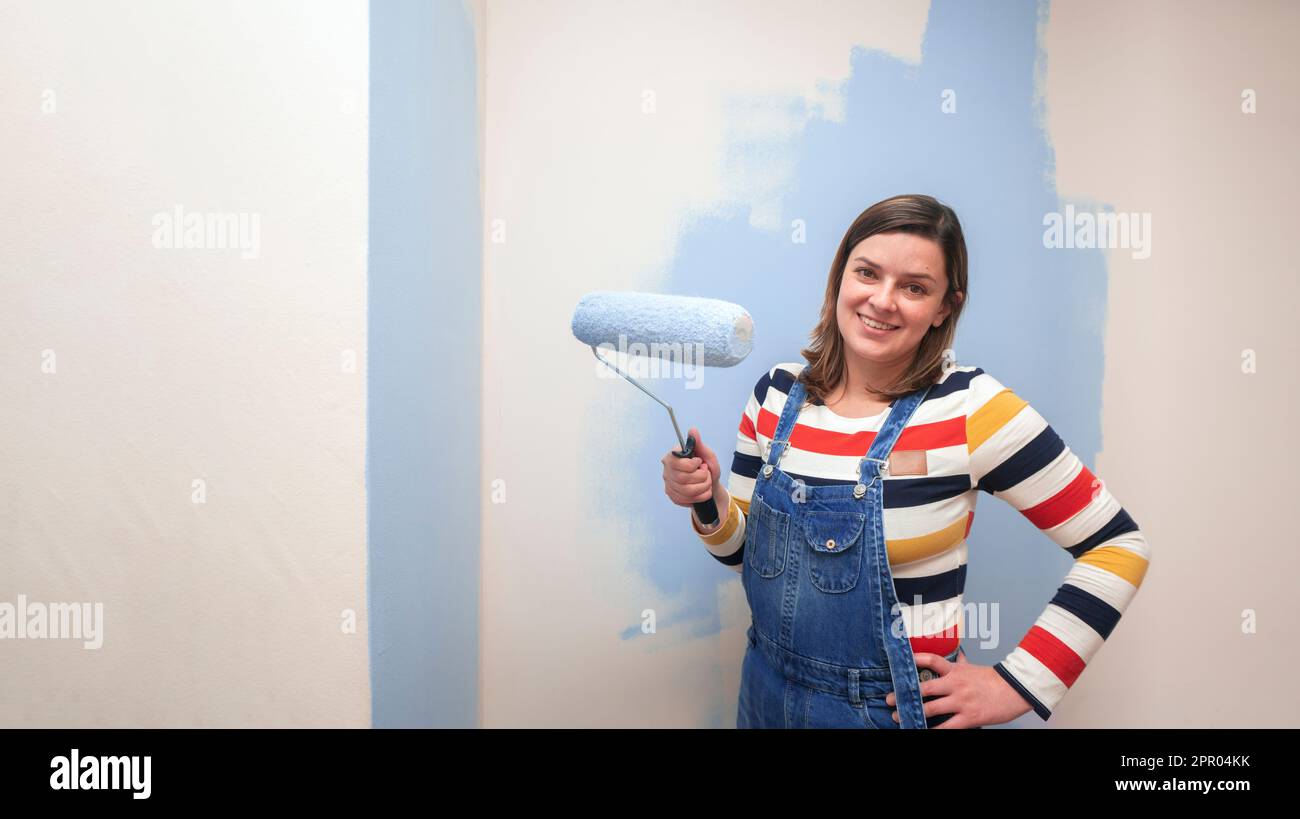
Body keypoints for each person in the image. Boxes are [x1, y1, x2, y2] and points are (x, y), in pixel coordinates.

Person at [661, 194, 1151, 729]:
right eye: (867, 273)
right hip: (764, 692)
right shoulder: (778, 396)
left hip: (890, 713)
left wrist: (1017, 684)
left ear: (945, 306)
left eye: (914, 287)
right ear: (840, 277)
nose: (883, 300)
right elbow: (743, 555)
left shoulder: (971, 408)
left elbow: (1118, 546)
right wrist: (707, 502)